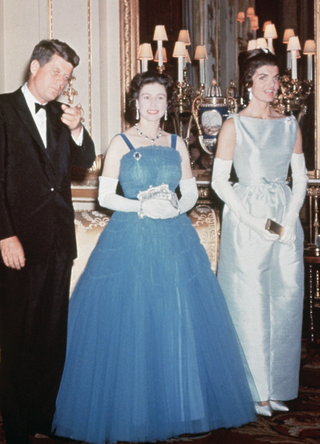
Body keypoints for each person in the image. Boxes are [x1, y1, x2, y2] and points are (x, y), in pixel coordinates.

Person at [52, 71, 256, 444]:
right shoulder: (120, 142)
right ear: (135, 102)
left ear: (166, 103)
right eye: (147, 97)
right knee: (132, 322)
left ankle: (181, 406)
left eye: (160, 98)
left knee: (175, 318)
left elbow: (193, 192)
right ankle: (131, 411)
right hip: (130, 237)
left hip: (173, 238)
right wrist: (143, 205)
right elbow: (106, 197)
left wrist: (176, 206)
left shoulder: (177, 142)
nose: (153, 104)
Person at [0, 39, 95, 444]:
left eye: (67, 77)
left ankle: (43, 416)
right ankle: (18, 427)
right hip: (17, 242)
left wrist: (77, 130)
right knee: (17, 338)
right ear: (34, 67)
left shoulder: (61, 115)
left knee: (51, 338)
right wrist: (4, 234)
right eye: (56, 72)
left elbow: (83, 163)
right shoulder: (2, 110)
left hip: (59, 242)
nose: (61, 83)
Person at [212, 48, 308, 417]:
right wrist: (254, 222)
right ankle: (255, 390)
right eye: (263, 77)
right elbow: (220, 182)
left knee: (285, 299)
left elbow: (298, 178)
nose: (272, 84)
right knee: (250, 304)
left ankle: (278, 385)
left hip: (284, 220)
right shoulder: (233, 124)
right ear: (249, 83)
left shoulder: (289, 124)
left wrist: (288, 219)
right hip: (247, 220)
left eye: (276, 77)